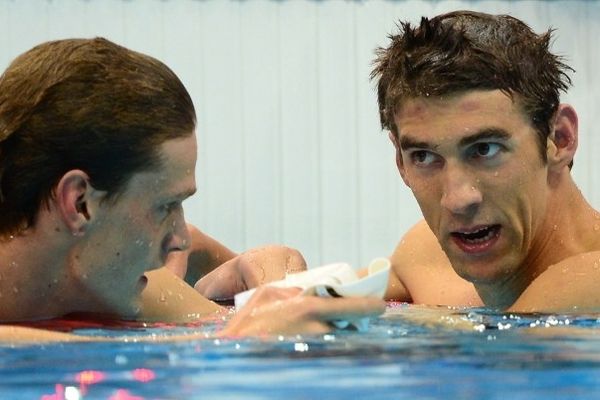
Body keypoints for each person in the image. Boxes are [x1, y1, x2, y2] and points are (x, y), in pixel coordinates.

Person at [0, 37, 384, 341]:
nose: (179, 238)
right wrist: (230, 348)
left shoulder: (101, 279)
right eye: (165, 206)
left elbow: (246, 314)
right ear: (80, 203)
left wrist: (254, 270)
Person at [366, 10, 600, 313]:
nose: (458, 200)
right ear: (400, 161)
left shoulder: (589, 281)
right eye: (424, 157)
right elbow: (311, 299)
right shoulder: (426, 255)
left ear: (559, 138)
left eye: (485, 149)